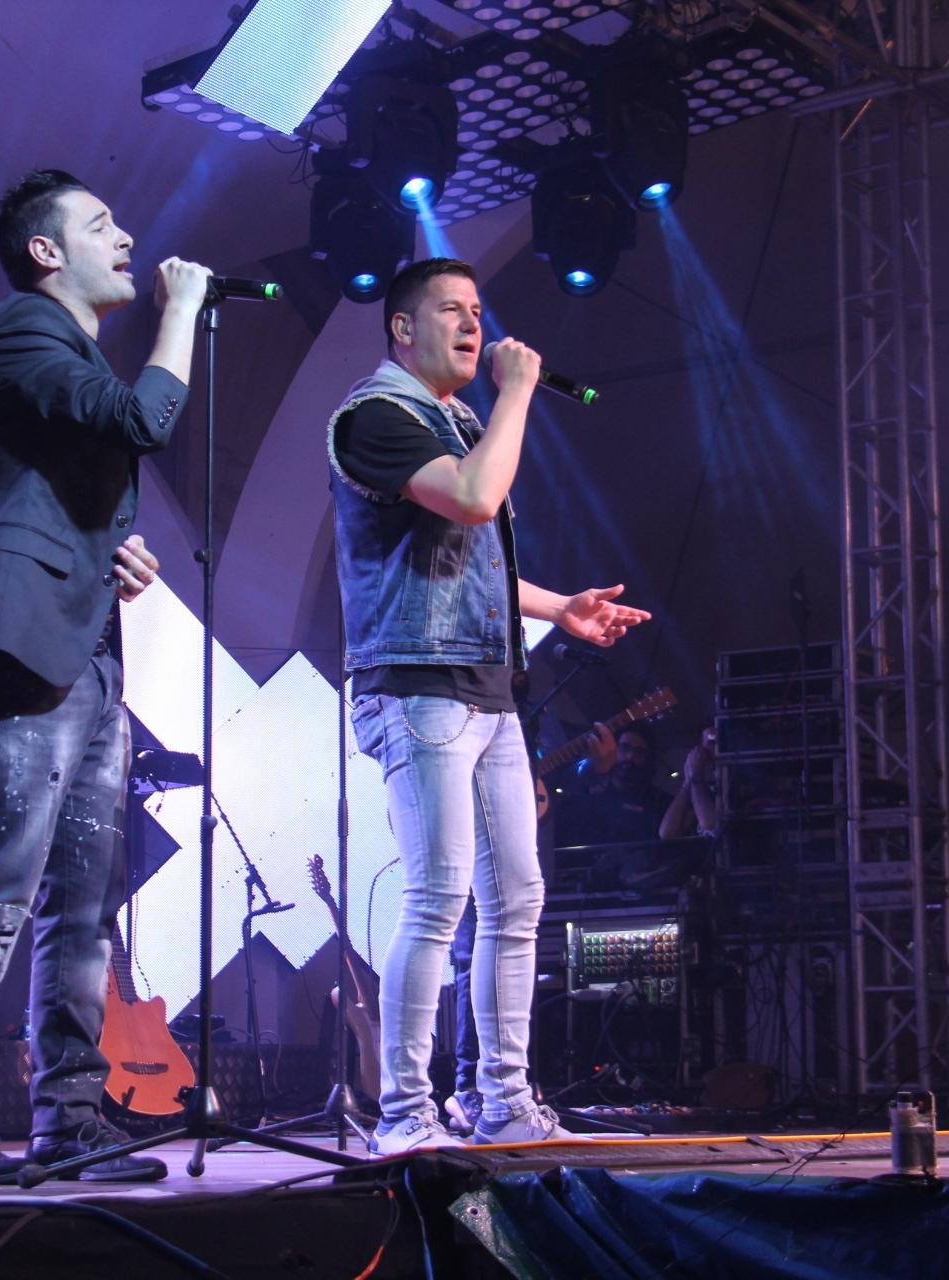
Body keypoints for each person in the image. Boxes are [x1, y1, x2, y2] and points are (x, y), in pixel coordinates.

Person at [0, 168, 201, 1185]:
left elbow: (63, 489)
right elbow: (143, 419)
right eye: (101, 225)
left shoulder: (68, 362)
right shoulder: (24, 328)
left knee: (84, 908)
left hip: (87, 660)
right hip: (14, 654)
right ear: (46, 252)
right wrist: (182, 313)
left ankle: (70, 1117)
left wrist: (120, 551)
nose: (127, 239)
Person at [331, 257, 650, 1153]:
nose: (475, 325)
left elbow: (471, 565)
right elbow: (474, 501)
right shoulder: (375, 416)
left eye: (478, 310)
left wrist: (560, 608)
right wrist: (517, 394)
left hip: (489, 690)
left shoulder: (460, 423)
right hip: (417, 688)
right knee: (438, 897)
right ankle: (405, 1113)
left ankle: (503, 1099)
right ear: (403, 329)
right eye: (452, 311)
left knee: (517, 899)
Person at [556, 720, 669, 848]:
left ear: (647, 759)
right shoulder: (587, 795)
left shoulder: (660, 804)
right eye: (625, 747)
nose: (630, 756)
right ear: (613, 749)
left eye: (639, 752)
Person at [659, 725, 721, 840]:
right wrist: (688, 782)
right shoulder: (704, 790)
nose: (716, 748)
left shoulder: (739, 781)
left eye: (718, 741)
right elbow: (666, 834)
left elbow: (711, 825)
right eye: (711, 742)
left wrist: (696, 779)